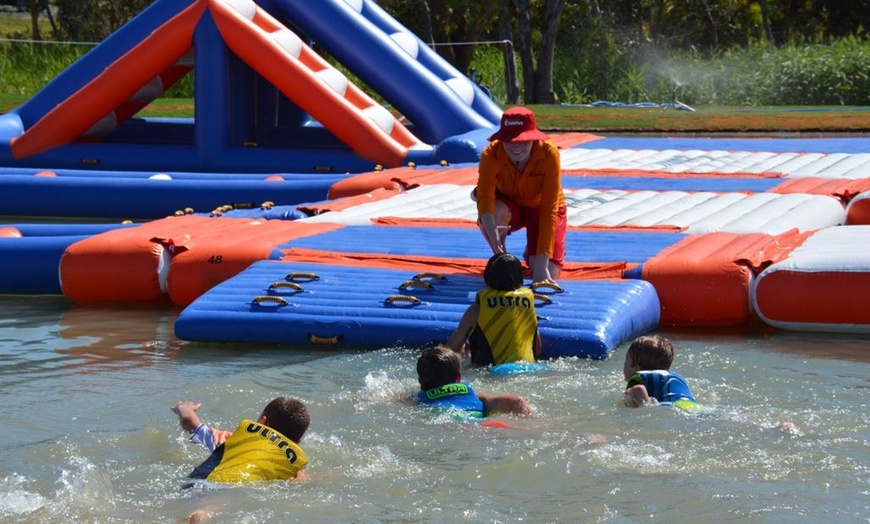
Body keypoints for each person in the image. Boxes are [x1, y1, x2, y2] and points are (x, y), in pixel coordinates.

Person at [476, 106, 567, 285]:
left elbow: (549, 210)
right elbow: (485, 201)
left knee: (548, 271)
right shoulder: (491, 154)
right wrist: (497, 249)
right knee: (493, 211)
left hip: (541, 209)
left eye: (523, 140)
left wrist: (541, 269)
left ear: (533, 138)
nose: (516, 146)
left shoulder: (549, 154)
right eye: (510, 140)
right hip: (511, 206)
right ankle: (504, 255)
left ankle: (532, 250)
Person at [171, 397, 310, 483]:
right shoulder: (292, 465)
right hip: (245, 488)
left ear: (262, 421)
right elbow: (302, 482)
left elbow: (189, 421)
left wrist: (184, 408)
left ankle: (202, 511)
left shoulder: (234, 440)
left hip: (209, 479)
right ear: (297, 442)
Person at [446, 252, 542, 366]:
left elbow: (450, 351)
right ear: (520, 279)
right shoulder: (526, 305)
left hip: (490, 371)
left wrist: (462, 349)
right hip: (528, 368)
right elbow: (537, 349)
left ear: (487, 278)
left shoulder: (476, 310)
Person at [417, 344, 532, 419]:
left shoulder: (421, 399)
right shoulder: (471, 394)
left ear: (421, 383)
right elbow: (517, 401)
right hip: (486, 424)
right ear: (458, 379)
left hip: (455, 426)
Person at [621, 335, 700, 411]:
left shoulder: (637, 378)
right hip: (693, 406)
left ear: (636, 368)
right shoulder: (677, 377)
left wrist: (646, 410)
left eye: (625, 363)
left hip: (671, 408)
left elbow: (638, 389)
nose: (624, 365)